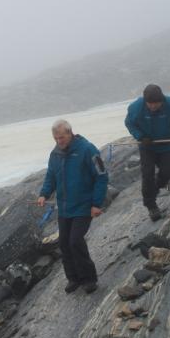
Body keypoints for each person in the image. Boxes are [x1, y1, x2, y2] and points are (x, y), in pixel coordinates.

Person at [37, 119, 108, 294]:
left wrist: (96, 204)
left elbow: (101, 176)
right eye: (56, 138)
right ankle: (73, 278)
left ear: (70, 133)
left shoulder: (87, 149)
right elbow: (51, 176)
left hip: (84, 205)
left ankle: (89, 279)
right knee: (64, 243)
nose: (59, 141)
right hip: (64, 207)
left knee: (75, 241)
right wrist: (44, 194)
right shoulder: (55, 154)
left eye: (62, 137)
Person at [124, 84, 170, 220]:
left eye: (156, 104)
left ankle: (155, 188)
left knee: (167, 173)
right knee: (147, 174)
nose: (153, 106)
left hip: (167, 145)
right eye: (150, 104)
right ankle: (151, 206)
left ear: (162, 100)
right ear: (145, 101)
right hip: (147, 146)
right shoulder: (136, 108)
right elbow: (129, 123)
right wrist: (140, 136)